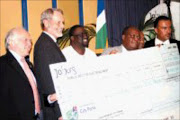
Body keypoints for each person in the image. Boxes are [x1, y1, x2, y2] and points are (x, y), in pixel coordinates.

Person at [0, 27, 42, 120]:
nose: (30, 44)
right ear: (11, 42)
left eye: (30, 41)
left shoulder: (29, 65)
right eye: (25, 40)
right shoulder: (3, 64)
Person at [34, 8, 66, 120]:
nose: (62, 26)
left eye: (63, 22)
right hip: (56, 112)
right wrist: (60, 113)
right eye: (58, 22)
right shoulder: (45, 46)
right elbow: (49, 83)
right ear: (46, 23)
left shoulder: (49, 43)